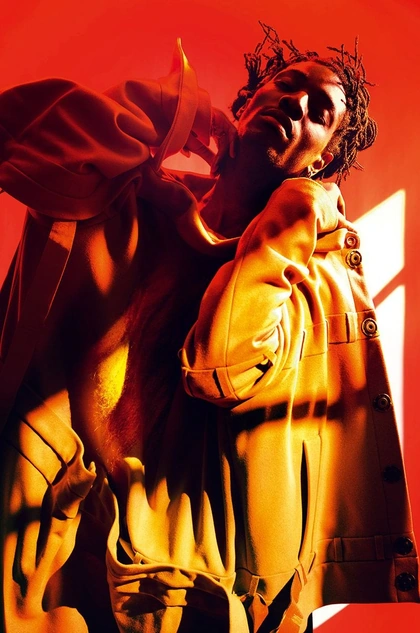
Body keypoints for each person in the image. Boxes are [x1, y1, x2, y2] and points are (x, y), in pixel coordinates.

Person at [0, 23, 417, 633]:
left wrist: (296, 211)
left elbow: (219, 365)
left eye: (319, 110)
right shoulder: (131, 199)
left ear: (321, 160)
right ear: (246, 103)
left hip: (192, 591)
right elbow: (18, 138)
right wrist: (171, 110)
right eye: (287, 85)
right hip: (54, 556)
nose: (295, 103)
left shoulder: (306, 282)